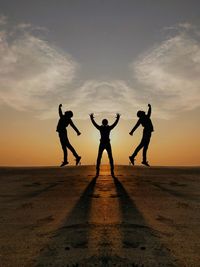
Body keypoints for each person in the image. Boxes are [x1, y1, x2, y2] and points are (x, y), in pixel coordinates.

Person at [90, 113, 120, 178]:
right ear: (106, 123)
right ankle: (111, 171)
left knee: (100, 157)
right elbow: (115, 124)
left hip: (103, 143)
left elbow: (94, 124)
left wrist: (91, 118)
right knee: (109, 157)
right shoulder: (108, 128)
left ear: (103, 123)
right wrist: (118, 118)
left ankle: (98, 171)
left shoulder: (101, 128)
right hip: (106, 143)